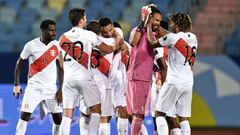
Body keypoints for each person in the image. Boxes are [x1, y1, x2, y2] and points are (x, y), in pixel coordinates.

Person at [58, 8, 122, 135]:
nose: (86, 20)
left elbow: (61, 64)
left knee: (67, 115)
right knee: (97, 110)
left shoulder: (62, 37)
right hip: (84, 78)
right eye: (85, 18)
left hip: (68, 80)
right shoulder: (88, 35)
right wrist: (117, 42)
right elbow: (109, 49)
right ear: (81, 20)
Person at [147, 12, 198, 135]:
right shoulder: (193, 37)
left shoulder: (172, 38)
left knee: (159, 113)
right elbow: (174, 38)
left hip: (174, 80)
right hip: (188, 82)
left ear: (176, 24)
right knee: (183, 117)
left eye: (172, 23)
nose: (171, 25)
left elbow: (152, 43)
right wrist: (162, 30)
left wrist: (149, 25)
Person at [13, 19, 63, 135]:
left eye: (55, 30)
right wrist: (16, 85)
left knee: (58, 119)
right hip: (33, 88)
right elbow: (19, 64)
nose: (54, 33)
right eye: (51, 30)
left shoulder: (57, 46)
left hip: (51, 89)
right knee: (24, 116)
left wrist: (61, 88)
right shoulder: (31, 45)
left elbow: (61, 67)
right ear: (44, 31)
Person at [126, 4, 163, 134]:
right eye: (157, 20)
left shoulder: (153, 35)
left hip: (140, 77)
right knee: (139, 114)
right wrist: (143, 22)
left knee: (136, 115)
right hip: (138, 77)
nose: (158, 23)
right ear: (150, 18)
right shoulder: (138, 30)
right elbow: (132, 42)